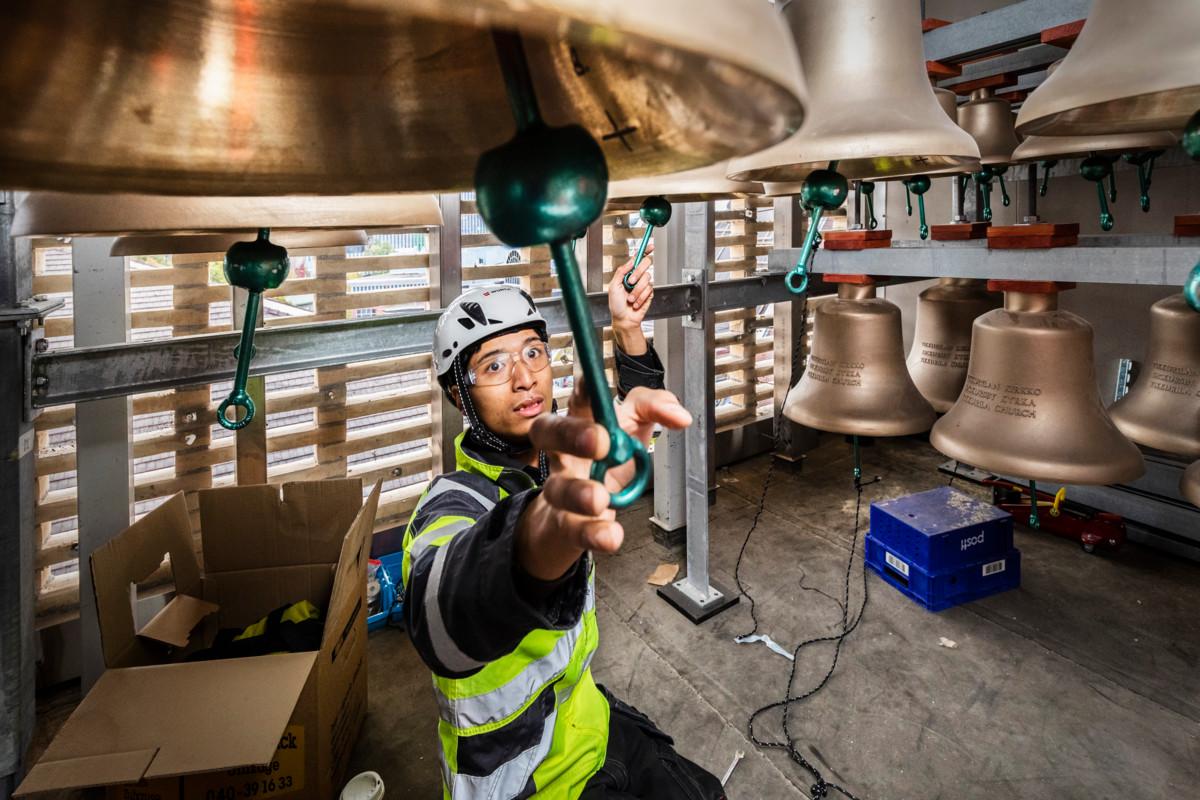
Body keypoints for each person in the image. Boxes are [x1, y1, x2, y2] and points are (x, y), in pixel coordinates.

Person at [402, 251, 727, 799]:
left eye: (534, 351)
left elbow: (630, 410)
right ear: (459, 394)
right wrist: (542, 530)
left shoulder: (556, 462)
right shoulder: (450, 504)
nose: (526, 378)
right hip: (524, 783)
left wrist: (627, 326)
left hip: (590, 724)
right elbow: (440, 620)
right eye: (495, 365)